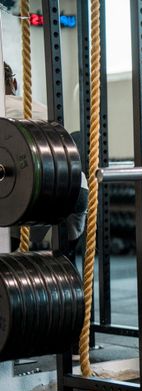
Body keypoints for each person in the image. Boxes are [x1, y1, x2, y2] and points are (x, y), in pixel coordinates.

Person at [3, 62, 88, 256]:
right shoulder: (45, 108)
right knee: (65, 255)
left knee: (10, 245)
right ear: (14, 83)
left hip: (25, 197)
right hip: (75, 191)